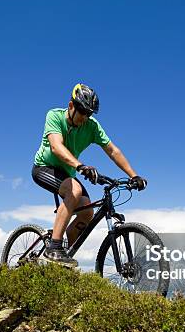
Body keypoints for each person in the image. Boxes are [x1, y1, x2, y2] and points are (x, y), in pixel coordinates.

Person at [32, 83, 147, 267]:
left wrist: (134, 175)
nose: (85, 117)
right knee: (75, 191)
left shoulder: (91, 126)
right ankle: (54, 247)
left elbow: (112, 151)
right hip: (44, 168)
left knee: (87, 213)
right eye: (83, 112)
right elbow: (56, 147)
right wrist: (80, 166)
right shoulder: (54, 116)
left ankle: (63, 255)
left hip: (68, 173)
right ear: (71, 106)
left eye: (89, 113)